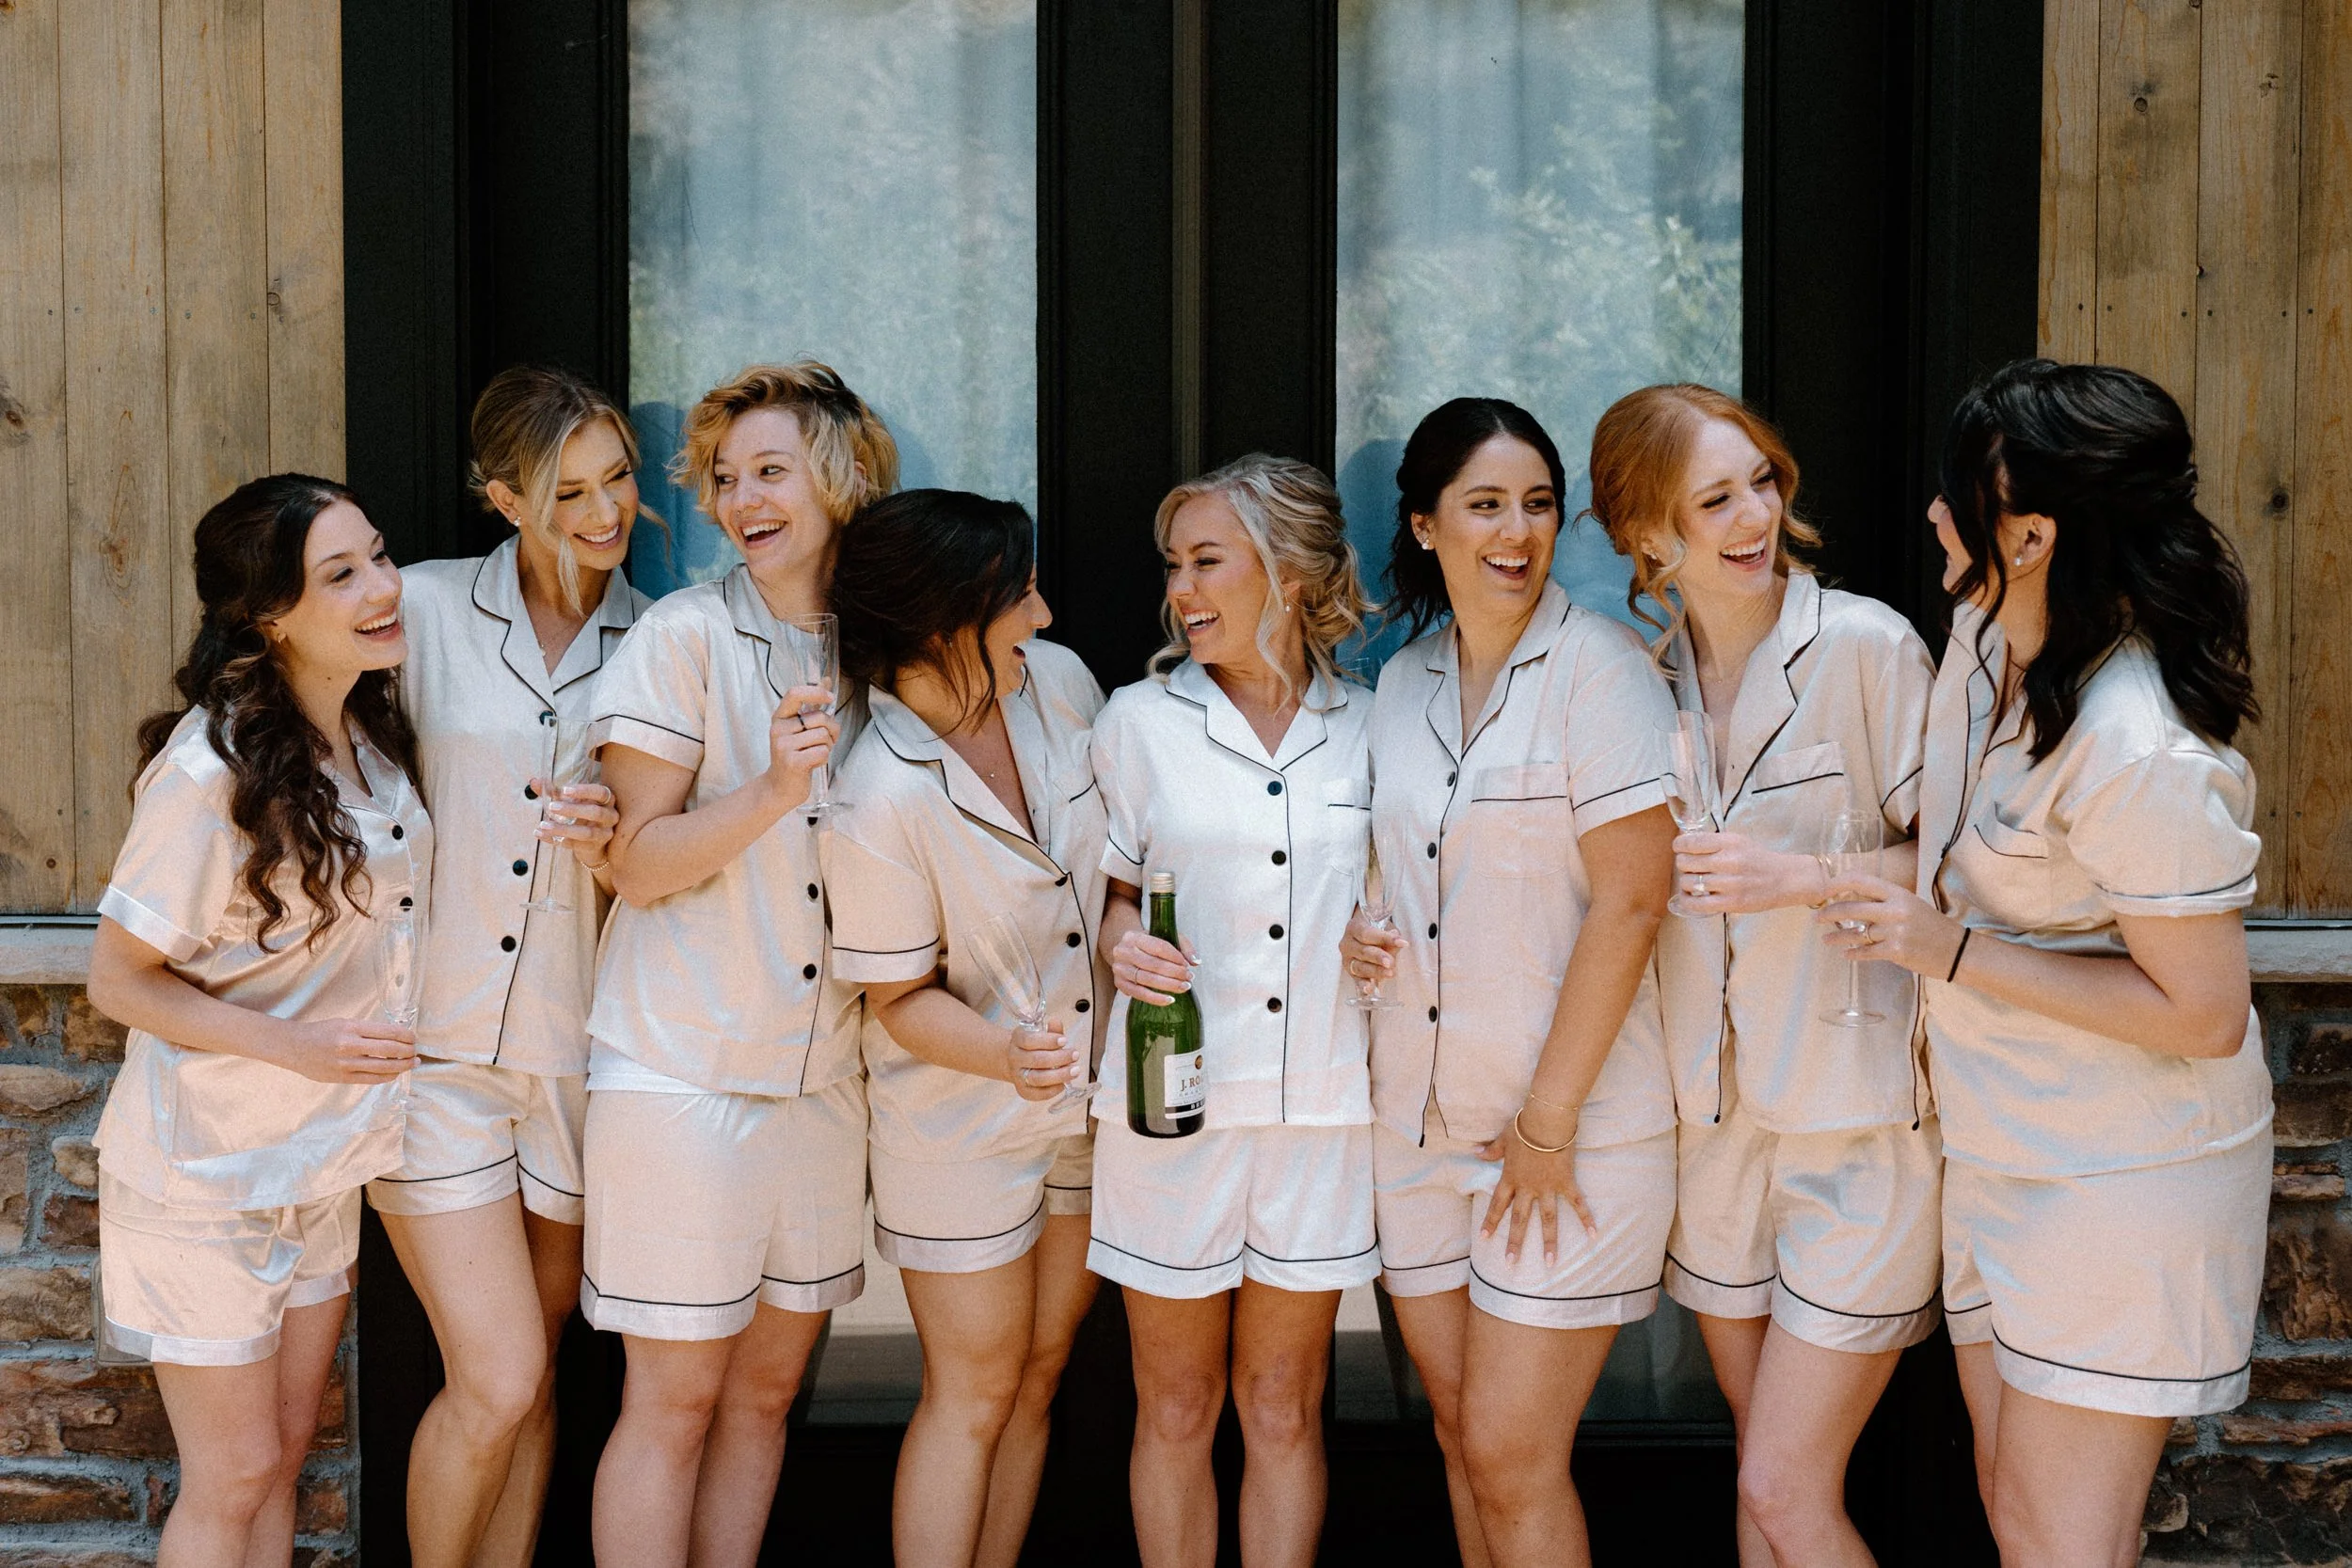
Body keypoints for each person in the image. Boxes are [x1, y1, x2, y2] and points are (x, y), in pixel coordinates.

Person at [1820, 359, 2270, 1564]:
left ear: (2025, 532)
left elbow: (2203, 1012)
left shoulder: (2140, 749)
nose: (1930, 512)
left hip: (2116, 1179)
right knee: (2019, 1512)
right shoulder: (1982, 642)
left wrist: (1948, 949)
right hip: (1997, 1148)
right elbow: (1958, 848)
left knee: (2062, 1542)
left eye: (1955, 492)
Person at [1583, 385, 1939, 1566]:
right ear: (1646, 534)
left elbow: (1952, 865)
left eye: (1763, 482)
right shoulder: (1638, 680)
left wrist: (1799, 873)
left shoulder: (1869, 646)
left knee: (1786, 1488)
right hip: (1714, 1129)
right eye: (1714, 498)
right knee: (1758, 1471)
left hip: (1857, 1123)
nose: (1753, 516)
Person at [1342, 398, 1679, 1568]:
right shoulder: (1401, 683)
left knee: (1511, 1454)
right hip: (1417, 1127)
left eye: (1537, 504)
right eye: (1485, 504)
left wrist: (1546, 1123)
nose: (1517, 529)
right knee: (1460, 1435)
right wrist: (1361, 935)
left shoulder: (1603, 675)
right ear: (1427, 525)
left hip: (1564, 1133)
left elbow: (1634, 901)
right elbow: (1399, 873)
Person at [581, 362, 897, 1568]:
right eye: (726, 477)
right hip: (681, 1069)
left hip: (824, 1078)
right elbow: (637, 862)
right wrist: (772, 788)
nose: (742, 498)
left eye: (771, 470)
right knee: (671, 1401)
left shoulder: (886, 645)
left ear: (842, 477)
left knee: (764, 1396)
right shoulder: (683, 636)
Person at [86, 475, 427, 1568]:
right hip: (207, 1175)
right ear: (267, 613)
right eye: (342, 574)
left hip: (317, 1164)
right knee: (230, 1473)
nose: (382, 587)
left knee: (280, 1456)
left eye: (378, 554)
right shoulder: (207, 772)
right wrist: (299, 1046)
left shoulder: (368, 738)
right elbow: (119, 980)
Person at [368, 366, 654, 1567]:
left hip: (584, 1058)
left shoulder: (664, 636)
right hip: (435, 1056)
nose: (604, 513)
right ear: (500, 497)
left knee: (535, 1382)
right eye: (566, 490)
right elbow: (299, 749)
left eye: (618, 480)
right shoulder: (420, 612)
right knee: (495, 1377)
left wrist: (623, 839)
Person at [1089, 454, 1379, 1568]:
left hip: (1319, 1113)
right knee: (1173, 1403)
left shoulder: (1369, 724)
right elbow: (1109, 904)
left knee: (1281, 1404)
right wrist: (1129, 946)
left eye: (1209, 560)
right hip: (1170, 1118)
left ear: (1291, 573)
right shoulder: (1138, 722)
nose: (1184, 590)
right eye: (1176, 565)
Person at [824, 488, 1108, 1568]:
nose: (1041, 614)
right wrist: (1005, 1055)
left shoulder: (1064, 688)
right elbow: (895, 995)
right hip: (956, 1122)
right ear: (947, 620)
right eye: (1019, 595)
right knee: (973, 1387)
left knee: (1039, 1372)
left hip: (1088, 1111)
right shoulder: (879, 791)